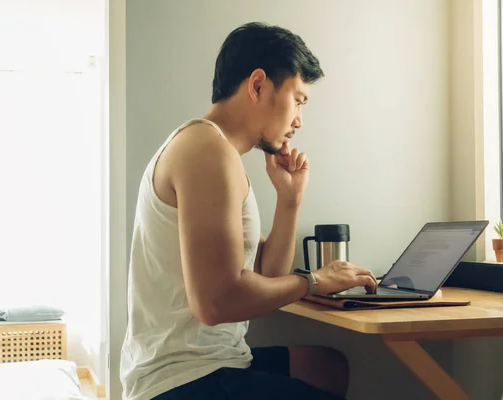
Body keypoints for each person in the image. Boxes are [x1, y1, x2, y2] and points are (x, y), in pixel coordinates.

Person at [120, 22, 378, 400]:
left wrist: (289, 201)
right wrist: (316, 280)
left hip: (215, 361)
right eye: (298, 100)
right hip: (184, 378)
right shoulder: (206, 151)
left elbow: (266, 276)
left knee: (328, 366)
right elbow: (216, 303)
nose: (299, 121)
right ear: (258, 85)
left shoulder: (218, 153)